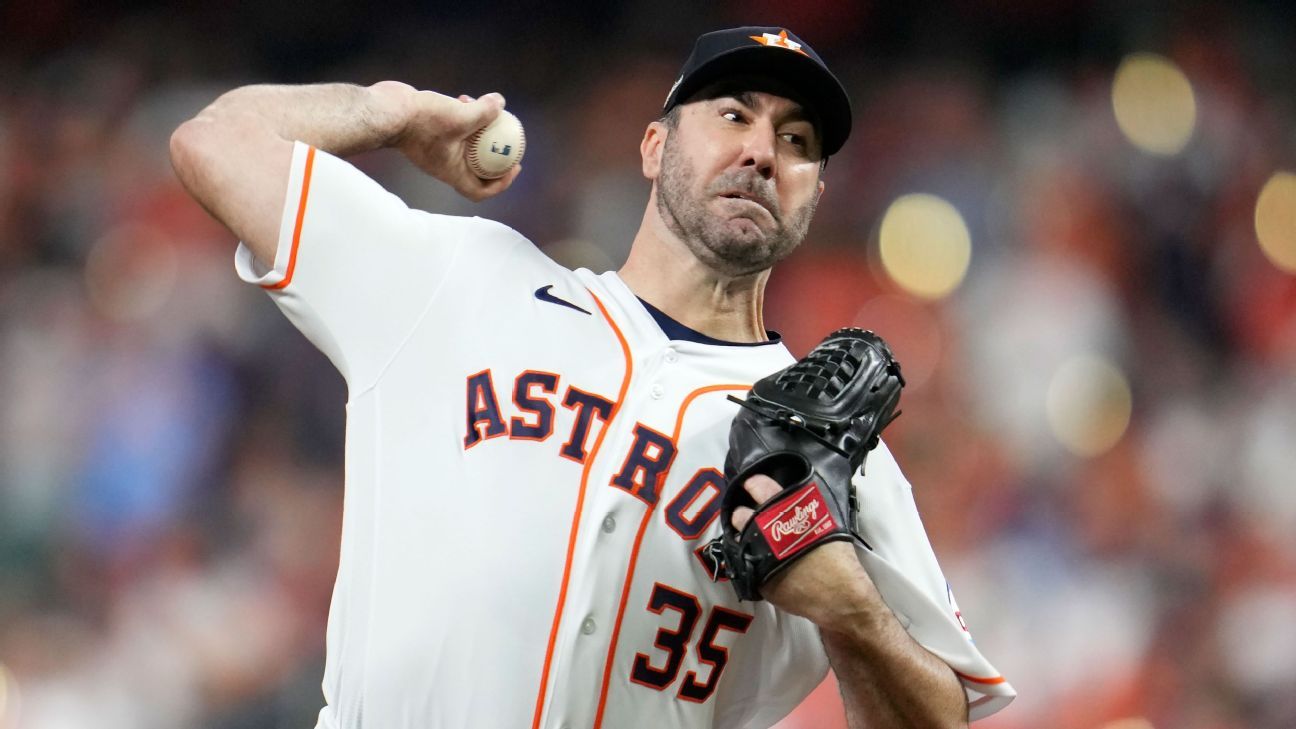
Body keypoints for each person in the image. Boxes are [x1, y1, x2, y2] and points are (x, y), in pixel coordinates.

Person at [170, 25, 1015, 729]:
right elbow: (214, 143)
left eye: (797, 141)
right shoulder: (460, 280)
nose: (762, 152)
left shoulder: (835, 453)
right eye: (733, 115)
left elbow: (942, 713)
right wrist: (390, 114)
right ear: (654, 147)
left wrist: (851, 613)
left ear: (815, 194)